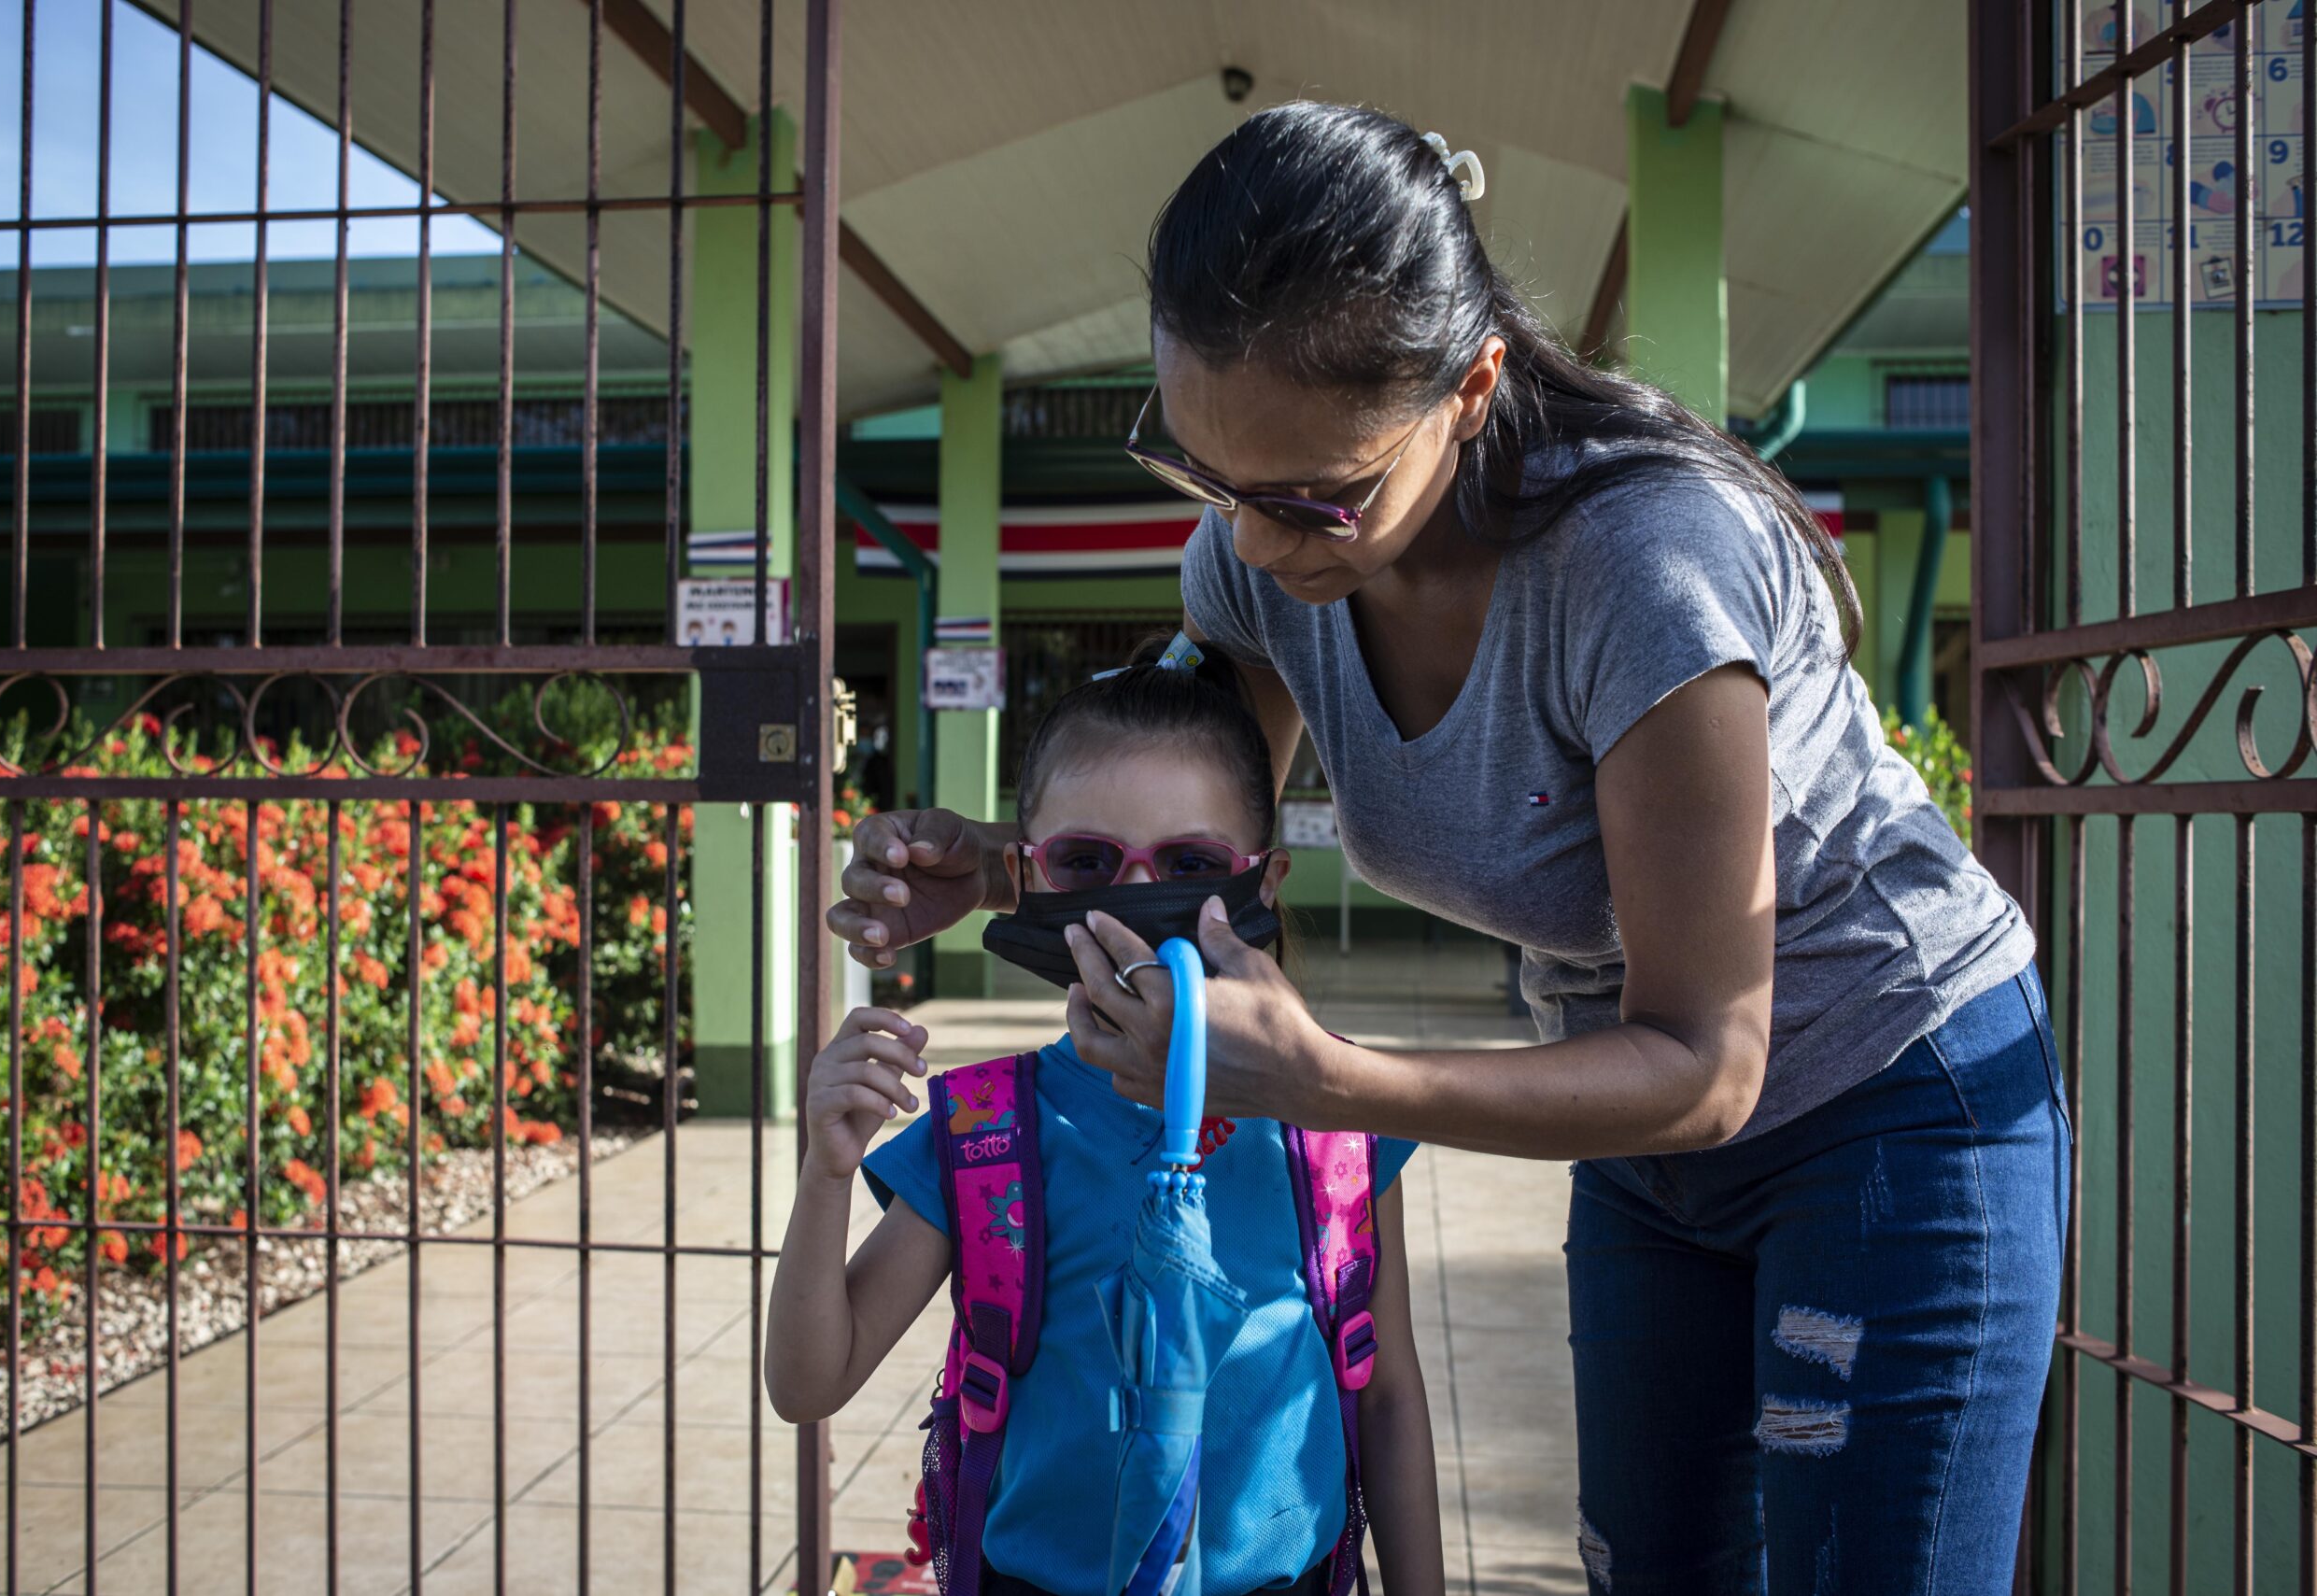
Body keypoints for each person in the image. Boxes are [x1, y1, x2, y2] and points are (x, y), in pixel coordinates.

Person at [829, 103, 2066, 1595]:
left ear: (1472, 387)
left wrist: (1326, 1080)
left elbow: (1710, 1058)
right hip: (1636, 1131)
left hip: (1890, 1095)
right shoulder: (1260, 554)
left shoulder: (1643, 568)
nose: (1260, 544)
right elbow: (1190, 841)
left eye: (1315, 496)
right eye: (1211, 478)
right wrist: (1006, 868)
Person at [770, 641, 1443, 1596]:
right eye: (1086, 858)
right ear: (1028, 874)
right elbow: (809, 1380)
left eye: (1188, 862)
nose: (1132, 895)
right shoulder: (987, 1132)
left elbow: (1390, 1397)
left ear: (1264, 880)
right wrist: (826, 1171)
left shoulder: (1334, 1127)